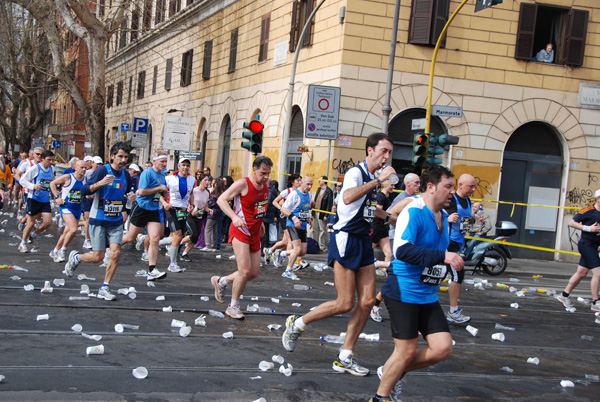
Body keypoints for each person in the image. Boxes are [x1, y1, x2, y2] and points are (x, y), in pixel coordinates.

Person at [281, 132, 397, 377]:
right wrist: (378, 183)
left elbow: (363, 206)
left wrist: (388, 217)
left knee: (366, 302)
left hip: (363, 240)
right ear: (370, 151)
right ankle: (298, 323)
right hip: (346, 240)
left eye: (390, 151)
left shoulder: (372, 176)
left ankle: (345, 356)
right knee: (345, 303)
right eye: (383, 150)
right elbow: (346, 197)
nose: (387, 155)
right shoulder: (357, 173)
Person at [369, 165, 464, 402]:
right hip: (403, 290)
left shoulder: (443, 215)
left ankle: (394, 372)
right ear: (430, 187)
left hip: (427, 294)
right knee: (406, 350)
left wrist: (452, 254)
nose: (452, 192)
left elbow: (435, 247)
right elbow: (403, 251)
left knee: (442, 347)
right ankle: (380, 398)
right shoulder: (414, 211)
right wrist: (444, 257)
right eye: (448, 186)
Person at [63, 142, 133, 301]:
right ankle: (76, 258)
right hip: (99, 218)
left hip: (115, 221)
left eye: (126, 157)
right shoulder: (102, 170)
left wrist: (130, 199)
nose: (123, 160)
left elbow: (127, 193)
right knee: (98, 257)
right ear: (113, 156)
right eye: (120, 156)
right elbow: (84, 190)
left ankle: (105, 287)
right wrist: (100, 183)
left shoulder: (126, 175)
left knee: (115, 253)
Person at [211, 156, 273, 319]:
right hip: (240, 231)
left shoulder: (265, 186)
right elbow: (221, 199)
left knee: (252, 273)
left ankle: (221, 282)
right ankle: (233, 306)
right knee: (244, 271)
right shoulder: (242, 184)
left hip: (255, 232)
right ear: (254, 169)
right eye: (263, 173)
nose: (266, 177)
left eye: (268, 173)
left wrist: (261, 224)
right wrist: (233, 217)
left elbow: (258, 206)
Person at [120, 151, 169, 281]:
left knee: (155, 238)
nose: (164, 164)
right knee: (131, 237)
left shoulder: (162, 175)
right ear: (155, 161)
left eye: (166, 161)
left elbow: (158, 193)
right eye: (162, 161)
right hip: (141, 207)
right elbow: (141, 192)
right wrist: (159, 188)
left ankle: (152, 269)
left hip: (153, 209)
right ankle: (111, 247)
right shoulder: (147, 173)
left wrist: (163, 195)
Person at [555, 190, 600, 312]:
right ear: (598, 199)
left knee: (581, 272)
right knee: (598, 273)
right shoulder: (589, 211)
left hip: (595, 246)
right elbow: (571, 222)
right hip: (586, 245)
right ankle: (596, 302)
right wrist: (588, 228)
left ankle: (564, 295)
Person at [445, 173, 476, 324]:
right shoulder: (451, 200)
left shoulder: (468, 201)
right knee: (457, 275)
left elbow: (466, 218)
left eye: (475, 186)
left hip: (458, 245)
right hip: (448, 244)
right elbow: (435, 215)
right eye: (471, 186)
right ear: (461, 185)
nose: (473, 189)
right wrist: (447, 219)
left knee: (427, 274)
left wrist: (473, 219)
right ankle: (453, 311)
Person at [162, 157, 196, 271]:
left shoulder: (192, 179)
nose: (185, 167)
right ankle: (172, 264)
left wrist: (191, 204)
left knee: (179, 237)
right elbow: (159, 192)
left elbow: (191, 193)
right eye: (183, 165)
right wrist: (164, 203)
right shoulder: (169, 178)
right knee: (177, 235)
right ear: (178, 166)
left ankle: (153, 241)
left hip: (183, 210)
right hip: (171, 208)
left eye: (187, 165)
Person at [49, 160, 86, 262]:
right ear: (75, 167)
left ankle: (55, 251)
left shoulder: (85, 180)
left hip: (77, 208)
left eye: (85, 168)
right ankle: (63, 251)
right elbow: (52, 183)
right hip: (66, 207)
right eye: (82, 167)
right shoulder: (68, 177)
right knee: (73, 229)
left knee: (66, 233)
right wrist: (57, 197)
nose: (84, 170)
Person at [18, 150, 55, 253]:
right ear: (43, 159)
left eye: (52, 160)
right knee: (30, 223)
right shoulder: (35, 168)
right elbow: (22, 180)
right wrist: (33, 186)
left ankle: (33, 235)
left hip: (45, 199)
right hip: (33, 198)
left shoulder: (52, 168)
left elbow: (52, 181)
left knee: (47, 222)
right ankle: (23, 243)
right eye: (49, 160)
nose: (51, 162)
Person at [369, 179, 395, 323]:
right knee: (368, 253)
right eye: (391, 184)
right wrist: (389, 216)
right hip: (376, 228)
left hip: (383, 228)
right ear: (385, 184)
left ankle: (387, 274)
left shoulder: (387, 197)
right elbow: (376, 212)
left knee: (389, 254)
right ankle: (365, 269)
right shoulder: (380, 196)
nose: (393, 186)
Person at [263, 174, 302, 267]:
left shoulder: (300, 192)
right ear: (293, 182)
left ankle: (269, 251)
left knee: (285, 242)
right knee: (290, 240)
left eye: (301, 180)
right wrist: (282, 208)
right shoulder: (287, 191)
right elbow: (274, 202)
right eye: (298, 181)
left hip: (293, 218)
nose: (300, 182)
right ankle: (291, 263)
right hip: (285, 217)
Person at [281, 176, 313, 280]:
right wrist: (294, 218)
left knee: (302, 251)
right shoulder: (294, 194)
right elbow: (284, 209)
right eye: (308, 184)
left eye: (311, 185)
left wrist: (308, 218)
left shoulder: (309, 195)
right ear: (301, 183)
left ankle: (280, 253)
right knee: (297, 248)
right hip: (292, 224)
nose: (310, 187)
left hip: (302, 225)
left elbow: (305, 209)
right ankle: (288, 271)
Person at [180, 173, 210, 261]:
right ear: (200, 181)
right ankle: (178, 243)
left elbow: (205, 207)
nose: (207, 182)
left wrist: (209, 210)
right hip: (190, 216)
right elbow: (188, 201)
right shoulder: (194, 191)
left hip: (199, 217)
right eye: (205, 180)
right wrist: (190, 209)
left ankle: (184, 253)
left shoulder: (207, 193)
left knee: (195, 238)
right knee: (193, 235)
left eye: (208, 180)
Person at [312, 175, 334, 252]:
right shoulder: (318, 189)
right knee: (315, 229)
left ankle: (322, 245)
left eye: (320, 180)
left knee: (322, 230)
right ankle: (315, 244)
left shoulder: (329, 191)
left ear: (324, 181)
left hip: (322, 212)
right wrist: (312, 212)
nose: (318, 181)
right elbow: (315, 200)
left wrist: (326, 214)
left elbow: (329, 203)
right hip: (316, 211)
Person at [203, 178, 225, 251]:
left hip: (212, 212)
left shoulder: (214, 195)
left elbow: (211, 204)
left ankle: (208, 245)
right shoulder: (221, 193)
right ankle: (214, 245)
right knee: (214, 229)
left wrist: (208, 204)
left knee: (208, 228)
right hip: (218, 213)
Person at [261, 179, 279, 253]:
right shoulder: (275, 192)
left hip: (266, 215)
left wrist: (262, 212)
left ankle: (264, 249)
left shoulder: (269, 192)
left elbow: (267, 204)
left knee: (265, 233)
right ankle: (265, 248)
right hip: (270, 215)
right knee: (267, 232)